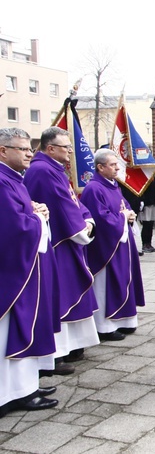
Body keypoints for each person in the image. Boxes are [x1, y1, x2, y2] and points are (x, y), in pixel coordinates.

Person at [23, 127, 100, 367]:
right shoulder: (42, 171)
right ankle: (59, 351)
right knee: (62, 295)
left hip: (70, 239)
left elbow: (73, 201)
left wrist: (87, 219)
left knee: (73, 291)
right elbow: (60, 208)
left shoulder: (55, 169)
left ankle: (73, 346)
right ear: (50, 148)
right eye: (65, 146)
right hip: (59, 244)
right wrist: (81, 228)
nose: (70, 150)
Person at [0, 128, 59, 418]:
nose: (28, 153)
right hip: (10, 274)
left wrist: (33, 209)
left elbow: (20, 215)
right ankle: (10, 395)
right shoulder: (2, 181)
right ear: (2, 150)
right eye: (22, 149)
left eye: (29, 149)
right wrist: (37, 217)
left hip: (22, 269)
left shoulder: (14, 179)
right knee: (9, 332)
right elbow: (13, 229)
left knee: (23, 326)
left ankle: (24, 388)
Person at [80, 149, 146, 340]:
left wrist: (130, 214)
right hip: (106, 247)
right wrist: (123, 217)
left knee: (123, 280)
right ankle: (104, 326)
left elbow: (123, 206)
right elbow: (101, 218)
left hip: (121, 243)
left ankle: (124, 321)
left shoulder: (113, 185)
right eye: (113, 165)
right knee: (106, 285)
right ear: (100, 167)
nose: (117, 168)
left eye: (117, 164)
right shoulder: (94, 188)